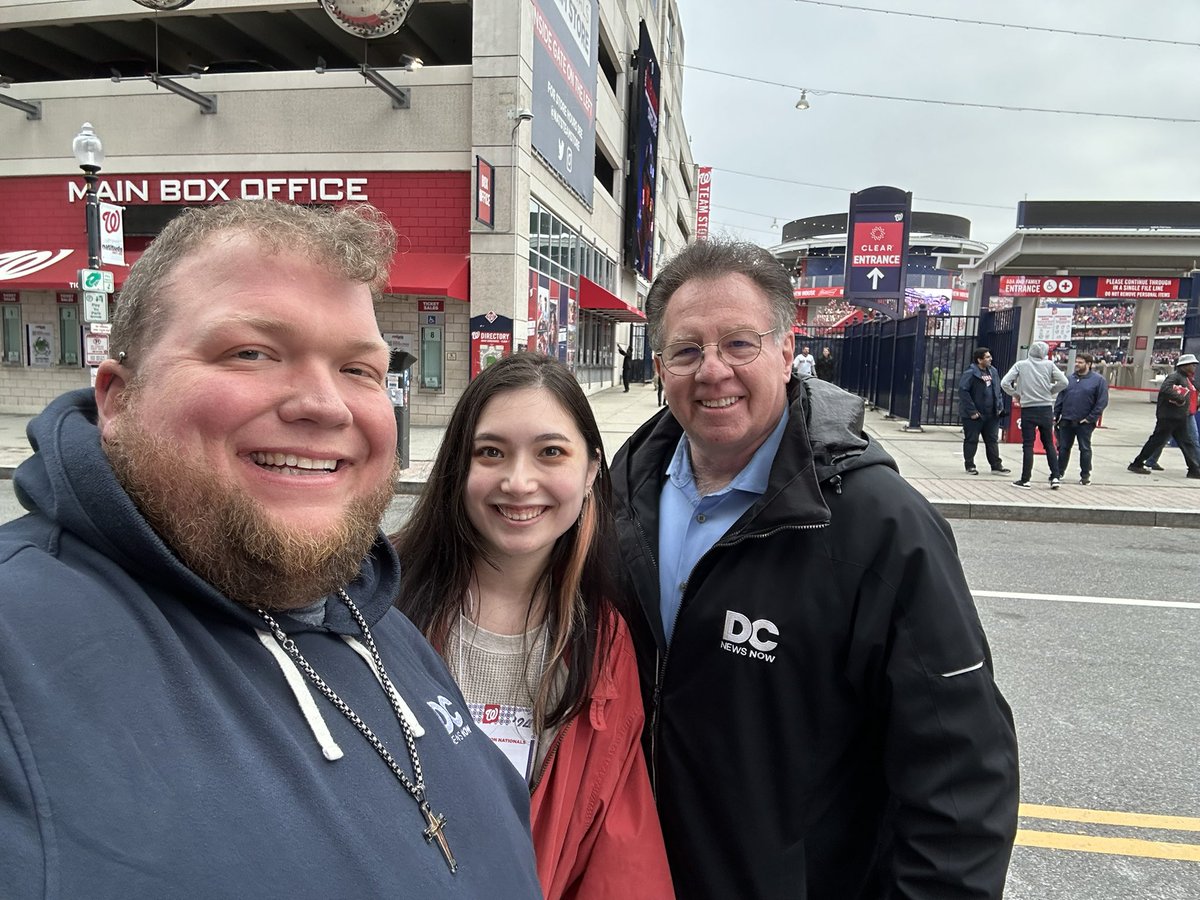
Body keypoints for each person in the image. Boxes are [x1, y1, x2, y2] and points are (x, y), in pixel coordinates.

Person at [0, 200, 542, 897]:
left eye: (359, 370)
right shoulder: (20, 652)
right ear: (117, 399)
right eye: (251, 352)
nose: (324, 404)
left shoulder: (371, 615)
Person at [609, 240, 1019, 900]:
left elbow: (960, 784)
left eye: (738, 344)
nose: (712, 370)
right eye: (687, 351)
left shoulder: (882, 526)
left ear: (785, 349)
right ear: (660, 366)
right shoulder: (621, 492)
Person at [392, 352, 673, 900]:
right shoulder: (377, 606)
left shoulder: (605, 641)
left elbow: (617, 843)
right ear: (459, 466)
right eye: (491, 452)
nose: (518, 482)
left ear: (592, 468)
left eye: (550, 453)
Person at [1001, 341, 1068, 489]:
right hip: (1045, 408)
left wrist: (1017, 394)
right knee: (1049, 443)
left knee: (1028, 445)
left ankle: (1025, 479)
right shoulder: (1049, 365)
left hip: (1028, 408)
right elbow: (1064, 381)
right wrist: (1050, 390)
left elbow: (1005, 383)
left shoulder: (1021, 365)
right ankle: (1055, 476)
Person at [1128, 352, 1200, 478]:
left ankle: (1194, 469)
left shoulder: (1184, 378)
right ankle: (1137, 463)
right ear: (1184, 365)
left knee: (1186, 443)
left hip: (1178, 417)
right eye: (1192, 365)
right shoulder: (1175, 376)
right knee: (1157, 441)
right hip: (1169, 417)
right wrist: (1180, 398)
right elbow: (1165, 389)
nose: (1194, 367)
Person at [1054, 353, 1109, 485]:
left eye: (1080, 362)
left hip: (1084, 422)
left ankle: (1085, 475)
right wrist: (1056, 415)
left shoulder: (1098, 381)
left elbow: (1102, 401)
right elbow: (1061, 398)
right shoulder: (1069, 379)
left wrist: (1090, 418)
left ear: (1089, 364)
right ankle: (1058, 472)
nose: (1077, 364)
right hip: (1066, 420)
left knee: (1085, 448)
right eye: (1076, 362)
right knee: (1063, 448)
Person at [958, 346, 1011, 475]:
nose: (990, 359)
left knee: (992, 440)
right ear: (979, 359)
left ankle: (996, 465)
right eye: (987, 357)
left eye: (989, 356)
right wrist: (972, 411)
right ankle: (970, 465)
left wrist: (999, 408)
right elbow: (963, 392)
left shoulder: (993, 371)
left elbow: (997, 391)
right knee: (971, 440)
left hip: (991, 414)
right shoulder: (971, 373)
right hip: (975, 415)